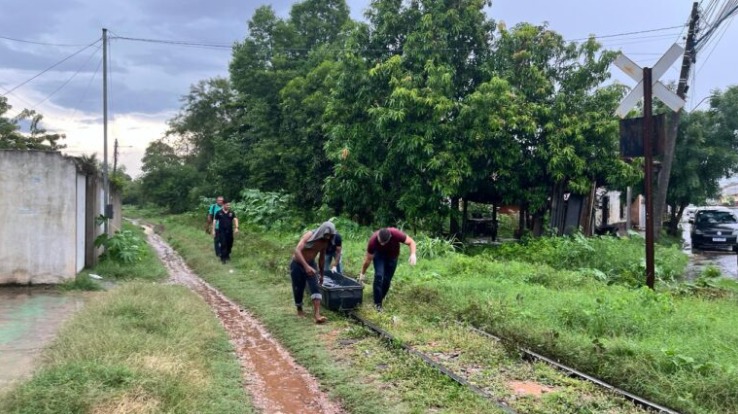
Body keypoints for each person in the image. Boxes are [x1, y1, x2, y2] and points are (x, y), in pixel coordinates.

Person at [359, 227, 417, 312]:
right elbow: (367, 260)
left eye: (384, 242)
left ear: (390, 238)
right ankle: (377, 304)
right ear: (378, 236)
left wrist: (413, 254)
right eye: (380, 242)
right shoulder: (373, 241)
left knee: (387, 280)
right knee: (379, 276)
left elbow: (411, 242)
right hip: (379, 256)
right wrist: (362, 273)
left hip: (392, 257)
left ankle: (380, 297)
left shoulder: (396, 234)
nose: (382, 244)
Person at [291, 221, 336, 324]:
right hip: (297, 264)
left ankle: (317, 315)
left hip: (311, 265)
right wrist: (306, 266)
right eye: (326, 235)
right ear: (322, 232)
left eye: (330, 236)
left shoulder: (325, 242)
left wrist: (321, 274)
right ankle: (299, 309)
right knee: (298, 288)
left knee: (315, 287)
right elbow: (297, 251)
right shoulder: (309, 235)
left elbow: (322, 258)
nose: (328, 237)